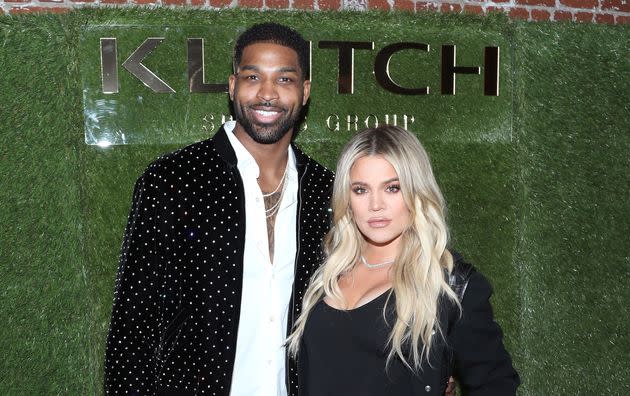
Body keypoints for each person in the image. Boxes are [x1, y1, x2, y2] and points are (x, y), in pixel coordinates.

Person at [104, 23, 334, 395]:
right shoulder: (173, 180)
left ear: (304, 92)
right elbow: (132, 329)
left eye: (285, 79)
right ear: (232, 86)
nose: (267, 93)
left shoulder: (326, 191)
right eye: (253, 76)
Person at [287, 125, 520, 395]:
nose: (376, 204)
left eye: (392, 188)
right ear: (346, 198)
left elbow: (496, 384)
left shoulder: (450, 285)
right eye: (361, 190)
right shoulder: (325, 272)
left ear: (416, 192)